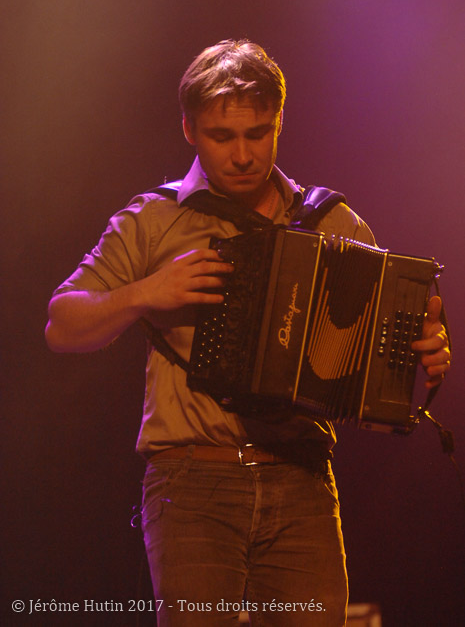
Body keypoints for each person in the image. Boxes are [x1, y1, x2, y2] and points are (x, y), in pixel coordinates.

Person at [45, 40, 450, 626]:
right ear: (189, 129)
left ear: (279, 121)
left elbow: (387, 339)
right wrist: (145, 292)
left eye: (257, 134)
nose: (241, 155)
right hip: (193, 483)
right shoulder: (153, 221)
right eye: (221, 136)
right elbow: (61, 323)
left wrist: (424, 351)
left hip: (302, 476)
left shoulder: (330, 221)